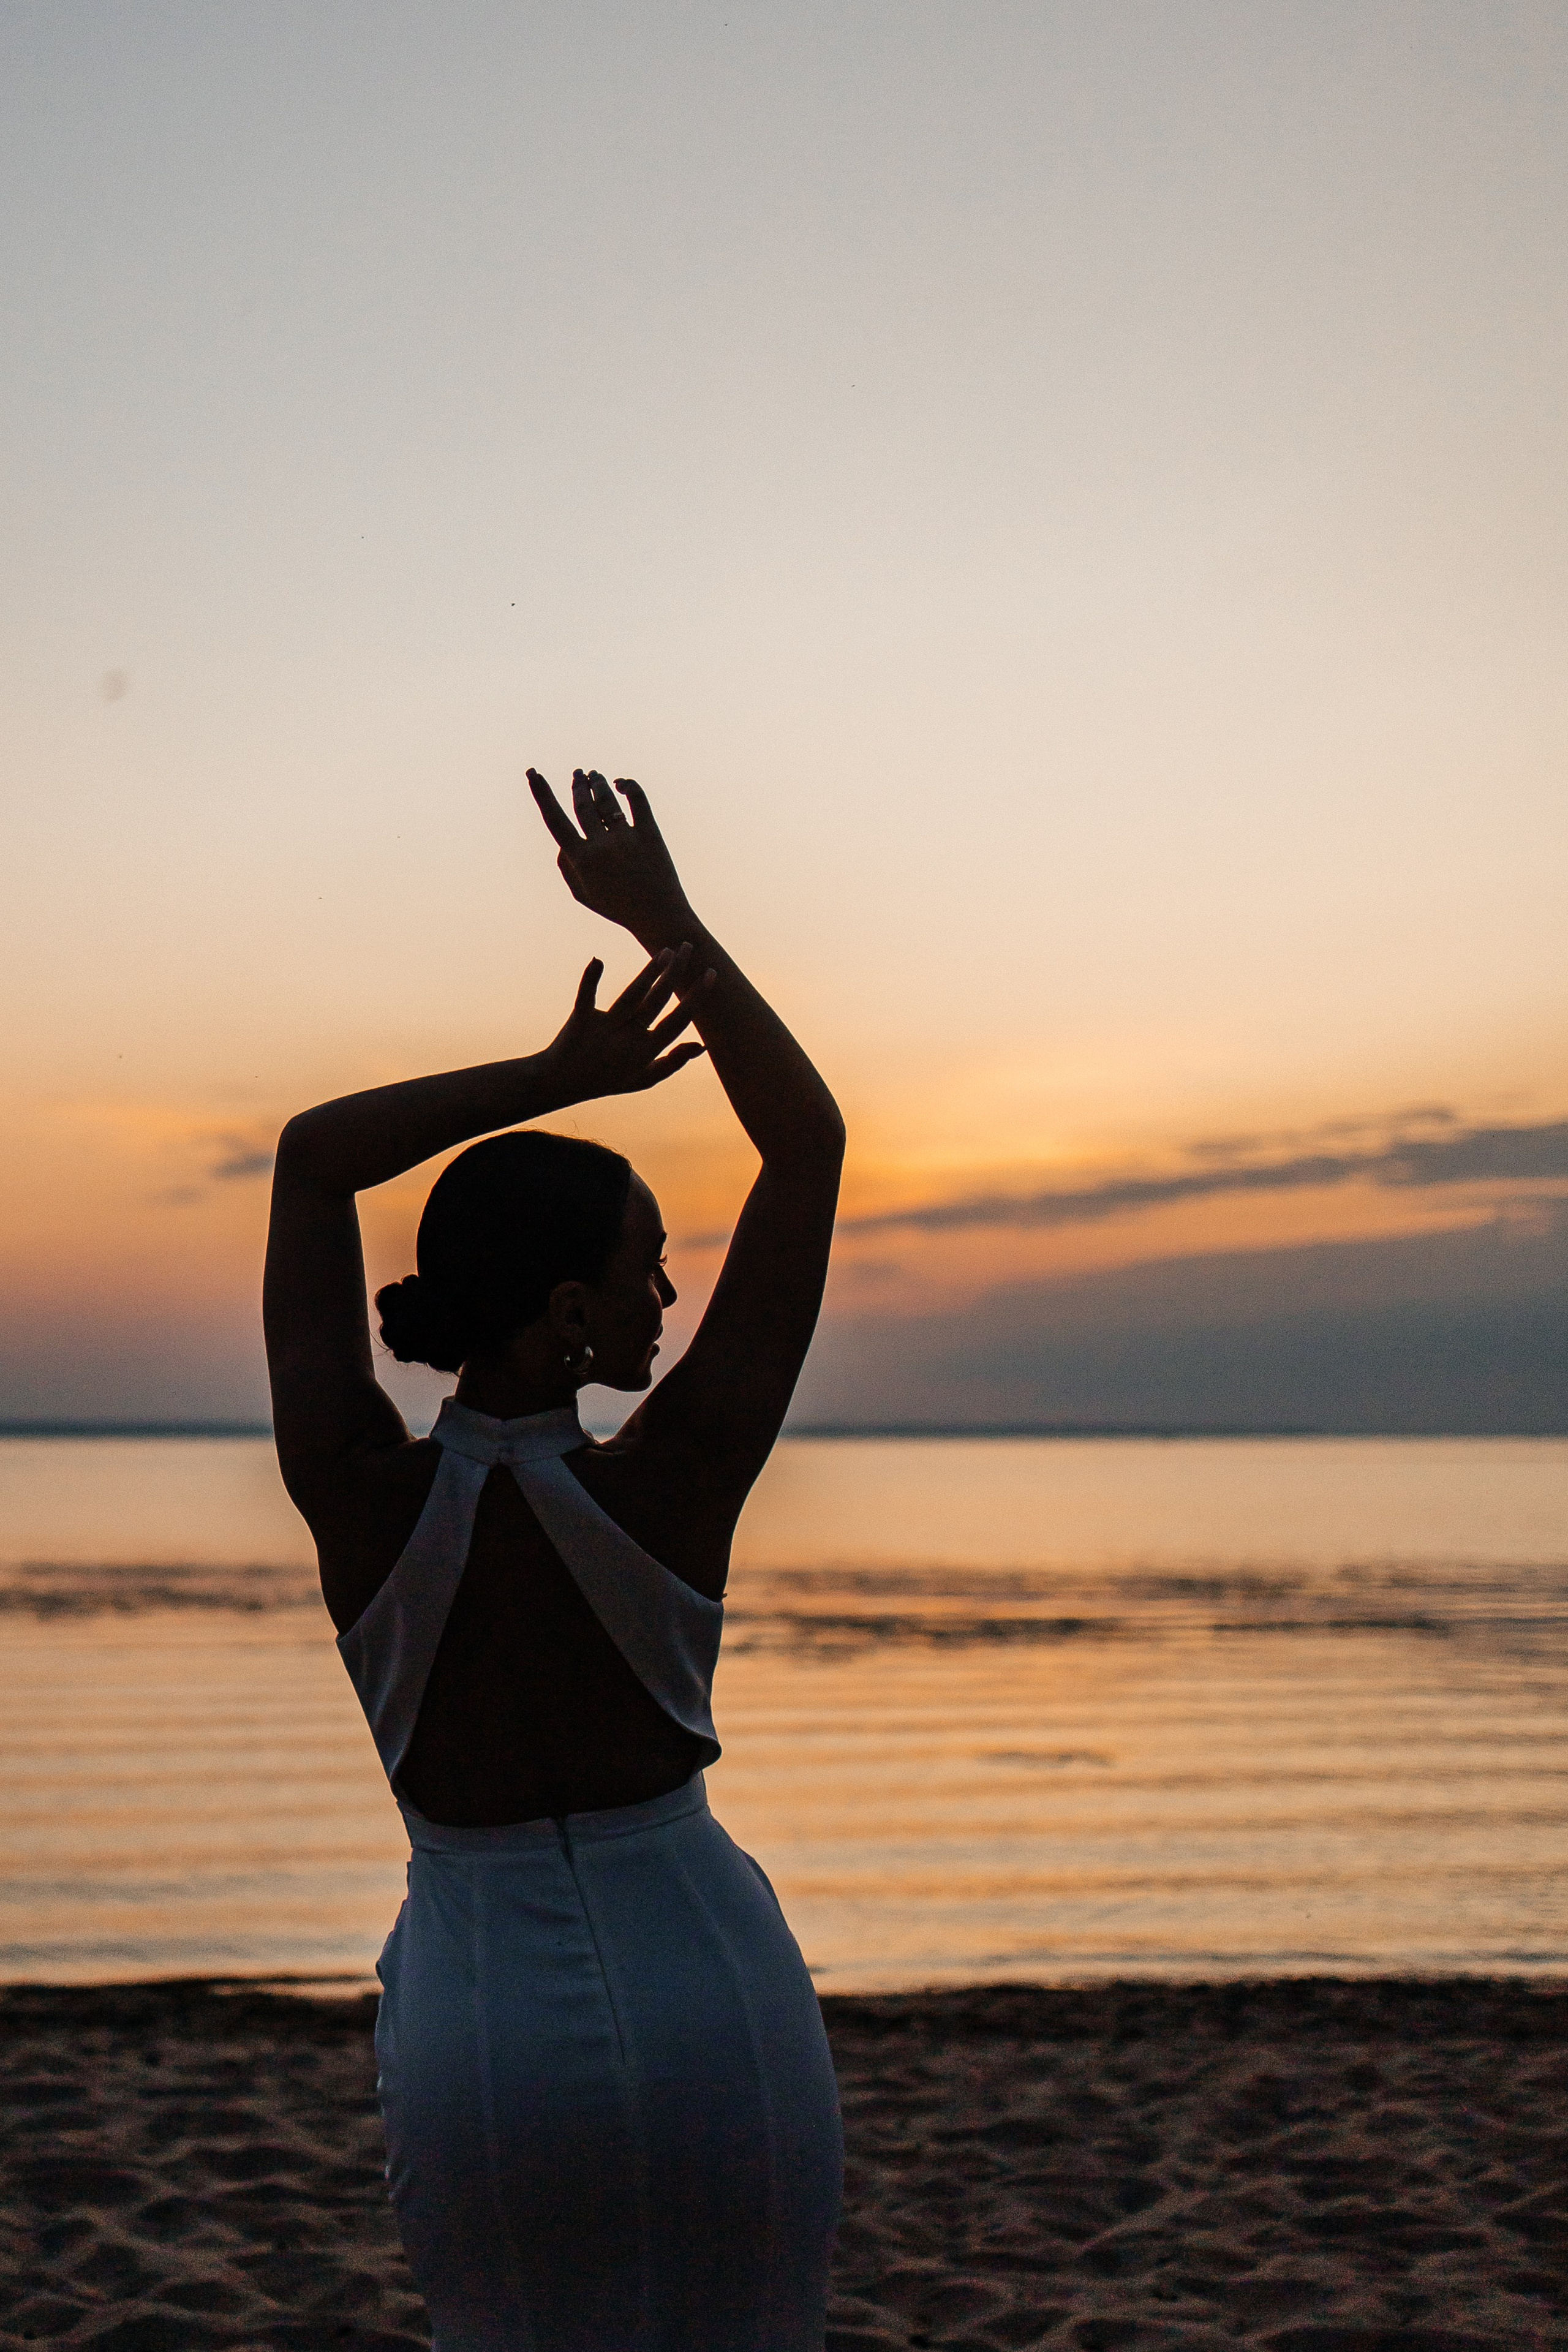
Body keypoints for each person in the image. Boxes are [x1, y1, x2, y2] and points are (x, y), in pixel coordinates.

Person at [263, 769, 846, 2352]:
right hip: (709, 1983)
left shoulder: (356, 1497)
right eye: (646, 1265)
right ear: (574, 1311)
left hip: (483, 2022)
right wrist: (670, 924)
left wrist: (547, 1078)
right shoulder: (679, 1480)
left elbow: (314, 1162)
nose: (670, 1293)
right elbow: (809, 1153)